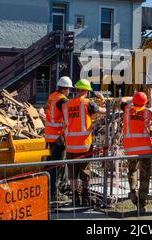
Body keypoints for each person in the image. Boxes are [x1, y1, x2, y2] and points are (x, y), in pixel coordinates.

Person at [62, 79, 106, 207]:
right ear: (86, 91)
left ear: (76, 89)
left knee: (72, 173)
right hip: (84, 145)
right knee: (85, 172)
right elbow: (102, 111)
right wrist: (102, 101)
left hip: (70, 145)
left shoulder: (67, 105)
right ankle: (85, 196)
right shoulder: (87, 103)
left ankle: (75, 198)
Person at [120, 88, 152, 214]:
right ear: (144, 103)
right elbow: (151, 107)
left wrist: (132, 97)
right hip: (145, 149)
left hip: (130, 149)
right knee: (145, 176)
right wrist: (150, 96)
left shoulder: (127, 109)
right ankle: (141, 203)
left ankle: (133, 192)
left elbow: (122, 99)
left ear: (134, 101)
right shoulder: (146, 113)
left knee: (132, 171)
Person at [44, 76, 73, 202]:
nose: (69, 92)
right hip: (58, 136)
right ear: (66, 89)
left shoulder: (52, 96)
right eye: (69, 89)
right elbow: (70, 115)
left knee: (54, 163)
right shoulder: (62, 100)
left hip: (50, 135)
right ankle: (55, 193)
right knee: (59, 165)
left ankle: (55, 189)